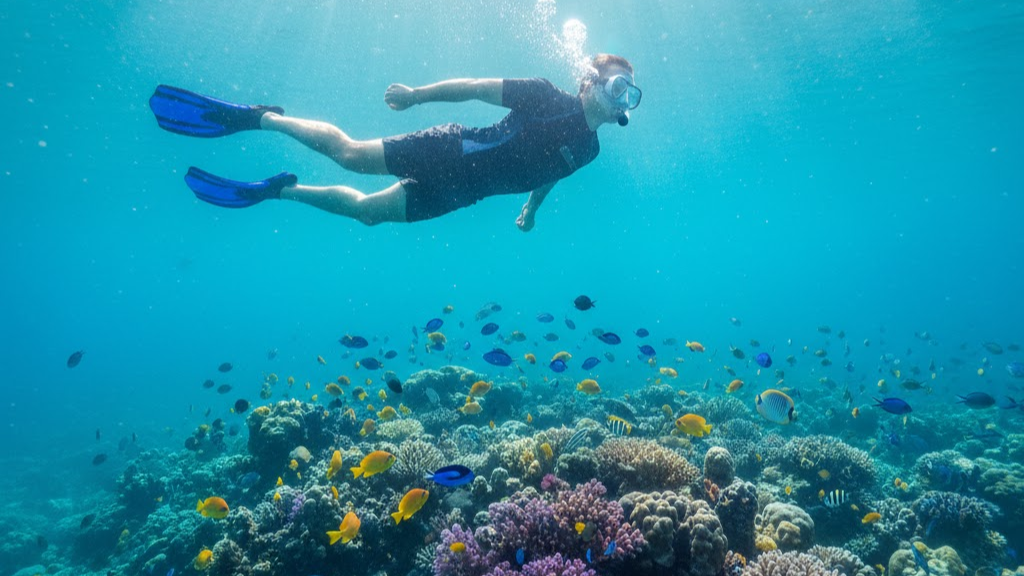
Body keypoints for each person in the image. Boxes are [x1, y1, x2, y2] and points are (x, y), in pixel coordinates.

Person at [149, 53, 640, 231]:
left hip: (461, 194)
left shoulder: (591, 150)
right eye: (618, 85)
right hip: (453, 150)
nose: (624, 99)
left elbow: (551, 170)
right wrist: (416, 97)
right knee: (350, 155)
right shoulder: (543, 94)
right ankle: (262, 119)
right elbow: (473, 87)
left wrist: (533, 210)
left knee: (368, 213)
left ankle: (276, 190)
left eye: (631, 94)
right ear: (588, 82)